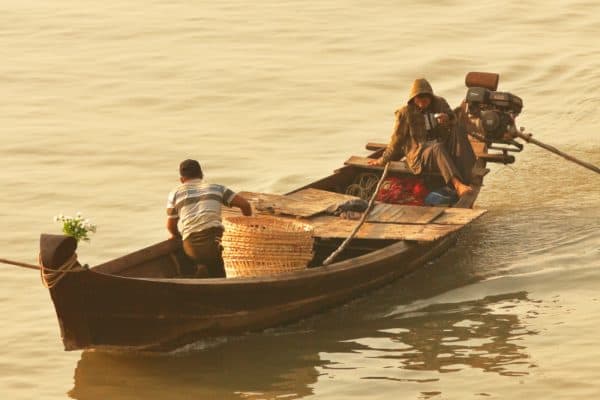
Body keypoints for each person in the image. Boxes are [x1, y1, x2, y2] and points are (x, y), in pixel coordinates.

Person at [369, 78, 475, 197]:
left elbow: (453, 117)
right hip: (420, 154)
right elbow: (396, 141)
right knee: (437, 147)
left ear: (430, 98)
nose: (422, 104)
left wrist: (447, 119)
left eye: (425, 100)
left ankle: (467, 176)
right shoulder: (405, 113)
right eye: (418, 100)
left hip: (440, 146)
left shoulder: (440, 103)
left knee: (458, 129)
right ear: (413, 99)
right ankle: (457, 185)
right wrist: (382, 160)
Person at [166, 159, 252, 277]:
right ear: (201, 175)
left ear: (182, 180)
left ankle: (198, 270)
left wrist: (177, 236)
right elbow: (245, 205)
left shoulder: (174, 194)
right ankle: (214, 272)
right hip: (217, 244)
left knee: (181, 249)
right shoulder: (217, 188)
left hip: (192, 249)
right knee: (219, 261)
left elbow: (171, 227)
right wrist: (247, 227)